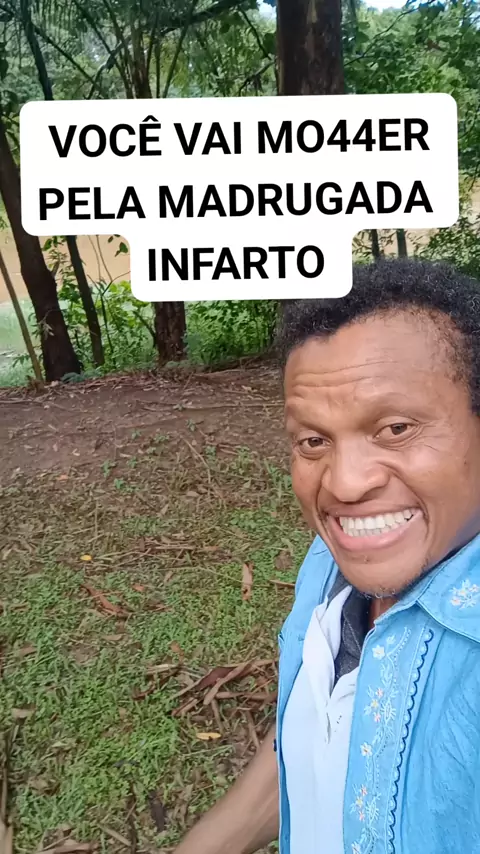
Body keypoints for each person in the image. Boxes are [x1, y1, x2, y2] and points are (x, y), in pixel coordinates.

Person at [174, 258, 480, 854]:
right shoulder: (329, 563)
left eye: (396, 429)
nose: (343, 484)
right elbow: (316, 732)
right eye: (313, 441)